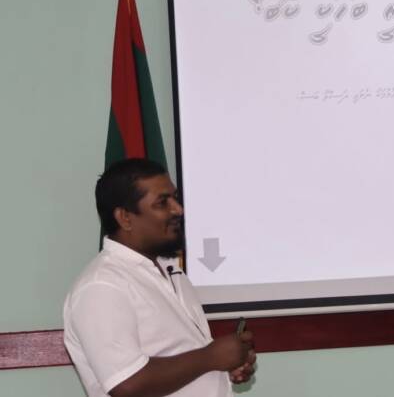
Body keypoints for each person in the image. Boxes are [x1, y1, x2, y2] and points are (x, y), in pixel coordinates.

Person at [63, 158, 256, 397]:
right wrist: (211, 357)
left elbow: (181, 357)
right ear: (125, 218)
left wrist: (225, 367)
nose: (178, 209)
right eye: (162, 203)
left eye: (175, 198)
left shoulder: (170, 270)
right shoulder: (102, 286)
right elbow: (127, 384)